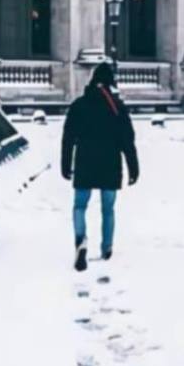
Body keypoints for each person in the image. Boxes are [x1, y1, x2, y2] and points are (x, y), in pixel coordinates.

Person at [60, 61, 139, 271]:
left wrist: (65, 164)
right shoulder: (117, 107)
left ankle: (81, 241)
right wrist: (133, 167)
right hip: (110, 165)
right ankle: (107, 247)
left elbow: (67, 138)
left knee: (79, 206)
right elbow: (128, 140)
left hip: (85, 162)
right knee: (108, 209)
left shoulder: (79, 105)